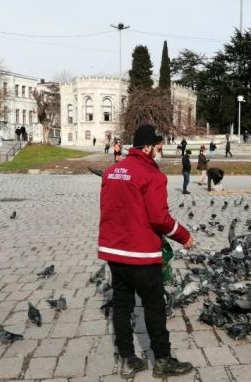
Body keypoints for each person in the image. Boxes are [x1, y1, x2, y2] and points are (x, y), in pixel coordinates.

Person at [98, 124, 194, 379]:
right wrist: (183, 236)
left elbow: (109, 209)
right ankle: (162, 360)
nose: (160, 152)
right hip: (140, 254)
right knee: (154, 307)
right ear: (148, 147)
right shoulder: (152, 175)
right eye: (159, 148)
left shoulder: (111, 171)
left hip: (113, 252)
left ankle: (128, 359)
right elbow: (160, 218)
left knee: (121, 306)